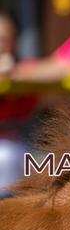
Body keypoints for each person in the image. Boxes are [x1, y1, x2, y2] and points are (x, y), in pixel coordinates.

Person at [0, 13, 37, 198]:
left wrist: (15, 72)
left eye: (4, 40)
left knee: (7, 156)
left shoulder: (25, 67)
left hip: (17, 144)